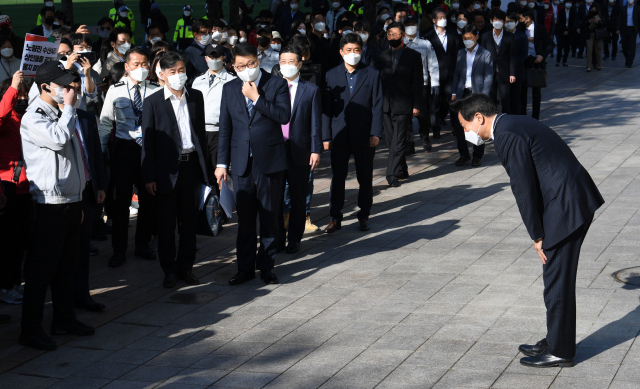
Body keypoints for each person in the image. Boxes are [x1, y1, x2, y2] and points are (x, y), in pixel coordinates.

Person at [450, 93, 604, 368]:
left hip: (567, 205)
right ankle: (555, 339)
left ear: (478, 118)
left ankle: (560, 351)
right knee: (555, 277)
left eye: (464, 127)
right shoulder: (511, 124)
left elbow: (523, 188)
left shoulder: (507, 135)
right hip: (570, 198)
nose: (466, 133)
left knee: (557, 280)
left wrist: (537, 235)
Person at [19, 61, 95, 350]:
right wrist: (69, 109)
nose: (71, 89)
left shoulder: (63, 111)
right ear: (45, 87)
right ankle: (30, 329)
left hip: (71, 199)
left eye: (71, 84)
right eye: (64, 85)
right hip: (50, 202)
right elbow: (59, 139)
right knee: (42, 270)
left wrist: (80, 195)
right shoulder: (34, 116)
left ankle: (64, 319)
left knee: (67, 266)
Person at [216, 43, 291, 286]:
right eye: (239, 66)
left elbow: (283, 116)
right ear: (233, 66)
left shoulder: (276, 83)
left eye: (249, 64)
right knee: (245, 221)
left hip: (269, 161)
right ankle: (244, 269)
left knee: (269, 218)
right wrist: (221, 163)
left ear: (257, 60)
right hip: (241, 163)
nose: (245, 69)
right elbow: (225, 128)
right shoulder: (229, 88)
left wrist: (256, 98)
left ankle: (267, 267)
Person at [141, 51, 212, 289]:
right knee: (166, 223)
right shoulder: (152, 102)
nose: (178, 75)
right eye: (173, 72)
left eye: (181, 70)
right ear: (162, 75)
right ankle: (168, 269)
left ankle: (186, 267)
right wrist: (149, 176)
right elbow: (148, 143)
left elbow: (200, 135)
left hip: (191, 165)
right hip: (165, 170)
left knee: (189, 222)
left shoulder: (196, 97)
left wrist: (207, 171)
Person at [98, 47, 161, 268]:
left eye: (145, 64)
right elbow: (106, 122)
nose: (140, 68)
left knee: (148, 200)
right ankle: (118, 250)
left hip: (147, 150)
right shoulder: (115, 90)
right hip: (123, 150)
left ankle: (143, 245)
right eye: (136, 64)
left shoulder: (156, 90)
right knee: (121, 202)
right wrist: (101, 151)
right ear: (126, 66)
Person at [322, 33, 383, 233]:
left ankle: (364, 215)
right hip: (339, 134)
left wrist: (375, 132)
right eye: (349, 50)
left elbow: (376, 105)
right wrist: (326, 136)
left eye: (357, 50)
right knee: (338, 177)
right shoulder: (332, 75)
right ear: (341, 52)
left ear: (362, 50)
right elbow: (327, 108)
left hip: (364, 134)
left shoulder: (372, 73)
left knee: (364, 177)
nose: (353, 54)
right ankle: (334, 216)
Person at [66, 70, 107, 313]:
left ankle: (82, 295)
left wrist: (100, 185)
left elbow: (96, 156)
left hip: (87, 190)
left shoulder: (87, 118)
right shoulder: (52, 119)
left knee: (82, 249)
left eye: (76, 86)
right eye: (67, 87)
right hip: (62, 194)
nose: (73, 91)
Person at [275, 45, 322, 254]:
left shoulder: (310, 89)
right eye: (283, 62)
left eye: (291, 62)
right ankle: (276, 238)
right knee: (275, 197)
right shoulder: (271, 88)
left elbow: (315, 122)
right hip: (276, 149)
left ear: (300, 64)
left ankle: (295, 238)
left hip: (300, 150)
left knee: (297, 197)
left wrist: (316, 149)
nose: (287, 66)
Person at [375, 22, 422, 187]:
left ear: (402, 35)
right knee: (390, 141)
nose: (392, 37)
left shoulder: (414, 56)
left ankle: (391, 174)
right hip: (385, 105)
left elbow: (417, 83)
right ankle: (402, 170)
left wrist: (416, 105)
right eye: (389, 34)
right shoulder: (382, 56)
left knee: (398, 141)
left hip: (403, 105)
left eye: (395, 34)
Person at [0, 72, 32, 306]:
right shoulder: (6, 118)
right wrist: (12, 88)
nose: (22, 98)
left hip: (27, 186)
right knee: (6, 241)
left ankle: (13, 283)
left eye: (24, 94)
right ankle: (4, 286)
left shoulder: (30, 117)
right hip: (6, 186)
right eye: (17, 94)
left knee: (21, 240)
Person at [191, 45, 236, 184]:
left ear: (224, 58)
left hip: (220, 131)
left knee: (220, 174)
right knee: (200, 171)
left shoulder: (231, 81)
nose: (214, 59)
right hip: (201, 131)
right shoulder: (198, 81)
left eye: (217, 56)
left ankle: (220, 205)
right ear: (205, 58)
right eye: (211, 56)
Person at [451, 24, 492, 167]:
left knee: (477, 125)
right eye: (465, 38)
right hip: (463, 93)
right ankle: (464, 154)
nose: (467, 40)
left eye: (470, 38)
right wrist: (454, 92)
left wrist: (483, 96)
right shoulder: (461, 53)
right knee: (459, 125)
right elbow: (456, 74)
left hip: (477, 93)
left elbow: (489, 76)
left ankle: (477, 155)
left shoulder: (485, 54)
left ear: (477, 37)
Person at [424, 8, 463, 138]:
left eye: (444, 17)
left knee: (452, 102)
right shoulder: (428, 37)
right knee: (434, 103)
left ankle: (454, 126)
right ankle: (435, 128)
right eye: (440, 18)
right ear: (434, 20)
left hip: (451, 75)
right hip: (435, 75)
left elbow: (459, 54)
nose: (443, 20)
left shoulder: (452, 35)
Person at [402, 15, 438, 152]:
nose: (411, 27)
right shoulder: (401, 44)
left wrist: (435, 83)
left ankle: (425, 137)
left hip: (422, 83)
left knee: (423, 114)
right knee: (406, 115)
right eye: (408, 24)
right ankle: (409, 143)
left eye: (413, 24)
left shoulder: (425, 44)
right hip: (405, 85)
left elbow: (432, 64)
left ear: (417, 26)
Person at [519, 9, 553, 120]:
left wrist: (542, 56)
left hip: (537, 61)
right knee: (523, 90)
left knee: (536, 91)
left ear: (528, 18)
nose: (519, 20)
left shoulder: (540, 28)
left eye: (521, 18)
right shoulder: (520, 28)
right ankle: (523, 115)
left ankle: (535, 117)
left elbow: (550, 45)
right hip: (524, 61)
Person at [481, 9, 516, 114]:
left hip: (504, 72)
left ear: (504, 21)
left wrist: (512, 73)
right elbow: (482, 56)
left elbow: (512, 56)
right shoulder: (485, 36)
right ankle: (492, 120)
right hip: (489, 73)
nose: (498, 22)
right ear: (492, 21)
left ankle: (506, 121)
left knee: (505, 99)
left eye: (501, 20)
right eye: (496, 19)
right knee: (491, 99)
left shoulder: (509, 36)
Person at [505, 13, 527, 115]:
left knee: (516, 98)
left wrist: (512, 65)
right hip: (504, 71)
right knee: (505, 98)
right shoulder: (502, 35)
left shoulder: (522, 36)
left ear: (516, 22)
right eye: (507, 22)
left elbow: (523, 55)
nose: (509, 24)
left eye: (511, 22)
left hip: (517, 72)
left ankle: (517, 119)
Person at [617, 0, 638, 68]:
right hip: (625, 29)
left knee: (632, 46)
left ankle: (630, 61)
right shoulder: (623, 8)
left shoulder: (637, 8)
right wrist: (618, 29)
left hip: (633, 29)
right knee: (624, 46)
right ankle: (628, 58)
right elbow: (620, 19)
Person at [555, 1, 576, 66]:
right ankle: (558, 61)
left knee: (567, 47)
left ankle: (565, 61)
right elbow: (560, 22)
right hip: (561, 31)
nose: (568, 4)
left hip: (569, 31)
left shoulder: (573, 11)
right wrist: (563, 30)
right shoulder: (561, 11)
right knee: (560, 46)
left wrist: (568, 31)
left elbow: (573, 22)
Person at [584, 3, 604, 71]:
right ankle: (589, 66)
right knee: (589, 50)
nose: (593, 10)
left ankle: (599, 65)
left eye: (595, 9)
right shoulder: (587, 16)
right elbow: (583, 25)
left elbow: (602, 25)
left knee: (598, 50)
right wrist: (589, 21)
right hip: (589, 35)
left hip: (597, 35)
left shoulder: (598, 16)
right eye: (592, 8)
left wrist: (597, 22)